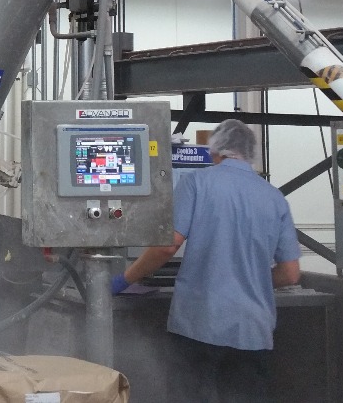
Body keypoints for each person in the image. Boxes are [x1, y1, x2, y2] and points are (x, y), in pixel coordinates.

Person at [111, 119, 300, 403]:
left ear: (215, 151)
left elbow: (166, 248)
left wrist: (123, 279)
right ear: (250, 154)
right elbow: (290, 273)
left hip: (200, 326)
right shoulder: (275, 198)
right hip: (253, 332)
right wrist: (251, 277)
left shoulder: (197, 183)